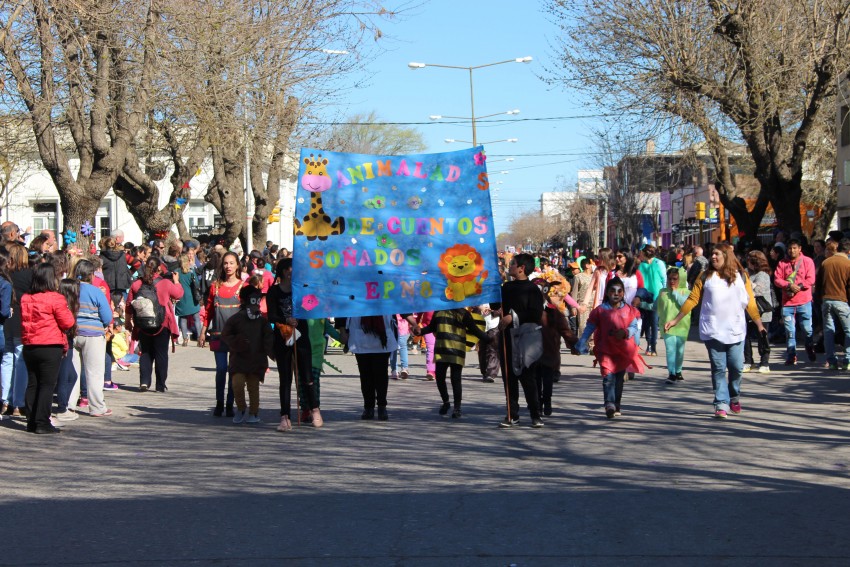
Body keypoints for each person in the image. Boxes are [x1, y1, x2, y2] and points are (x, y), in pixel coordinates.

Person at [665, 243, 765, 418]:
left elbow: (749, 302)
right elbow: (693, 299)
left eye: (717, 254)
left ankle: (734, 396)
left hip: (735, 330)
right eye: (712, 254)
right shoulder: (705, 276)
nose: (713, 257)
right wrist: (675, 319)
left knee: (736, 367)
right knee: (718, 368)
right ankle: (721, 403)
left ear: (726, 256)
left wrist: (759, 324)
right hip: (713, 330)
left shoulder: (741, 276)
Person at [576, 277, 646, 419]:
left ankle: (616, 404)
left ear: (623, 293)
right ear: (607, 293)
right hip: (605, 350)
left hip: (623, 352)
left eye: (619, 291)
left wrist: (626, 332)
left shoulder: (629, 310)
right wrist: (581, 342)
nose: (616, 294)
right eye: (612, 290)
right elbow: (590, 327)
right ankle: (609, 404)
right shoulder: (600, 311)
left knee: (619, 379)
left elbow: (634, 326)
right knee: (608, 378)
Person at [21, 263, 76, 434]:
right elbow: (68, 322)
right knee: (47, 385)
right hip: (49, 345)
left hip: (30, 344)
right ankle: (42, 422)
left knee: (33, 383)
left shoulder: (26, 297)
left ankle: (31, 420)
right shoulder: (55, 298)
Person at [267, 257, 320, 430]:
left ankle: (314, 409)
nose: (293, 272)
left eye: (294, 269)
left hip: (301, 335)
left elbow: (313, 304)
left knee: (306, 375)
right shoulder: (274, 291)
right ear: (283, 272)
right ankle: (285, 416)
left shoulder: (301, 289)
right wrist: (286, 319)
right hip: (283, 336)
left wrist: (303, 310)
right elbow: (271, 315)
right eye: (290, 269)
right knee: (285, 378)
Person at [496, 253, 546, 429]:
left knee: (528, 378)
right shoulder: (506, 287)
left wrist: (513, 317)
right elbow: (496, 305)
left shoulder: (532, 289)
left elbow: (535, 314)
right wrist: (492, 290)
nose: (510, 266)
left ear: (521, 268)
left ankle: (535, 414)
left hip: (526, 338)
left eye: (513, 263)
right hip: (507, 337)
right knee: (509, 377)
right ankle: (512, 414)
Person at [415, 308, 488, 419]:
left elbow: (474, 330)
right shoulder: (439, 311)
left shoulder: (463, 313)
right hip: (441, 350)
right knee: (440, 378)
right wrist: (420, 331)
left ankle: (457, 408)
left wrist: (488, 339)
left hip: (456, 351)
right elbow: (432, 327)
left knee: (456, 379)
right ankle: (446, 402)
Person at [126, 257, 183, 393]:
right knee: (161, 353)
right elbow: (178, 294)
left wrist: (128, 321)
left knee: (145, 352)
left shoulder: (137, 284)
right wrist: (176, 281)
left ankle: (144, 381)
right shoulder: (165, 283)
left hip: (142, 323)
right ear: (158, 268)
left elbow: (129, 304)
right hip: (162, 323)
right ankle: (160, 385)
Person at [221, 286, 275, 425]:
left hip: (256, 360)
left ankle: (253, 412)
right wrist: (236, 342)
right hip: (238, 360)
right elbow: (226, 334)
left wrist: (273, 353)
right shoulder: (235, 319)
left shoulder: (262, 321)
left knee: (253, 387)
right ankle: (241, 408)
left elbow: (269, 338)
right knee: (237, 384)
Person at [199, 251, 243, 416]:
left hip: (237, 337)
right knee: (221, 369)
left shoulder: (243, 287)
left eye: (231, 263)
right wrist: (203, 331)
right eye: (225, 263)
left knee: (233, 370)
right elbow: (209, 311)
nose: (228, 266)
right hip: (218, 334)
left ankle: (230, 403)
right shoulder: (215, 286)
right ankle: (219, 402)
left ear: (237, 265)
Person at [68, 259, 114, 417]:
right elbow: (107, 316)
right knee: (94, 372)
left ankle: (69, 405)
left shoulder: (69, 290)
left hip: (73, 332)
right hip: (93, 334)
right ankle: (97, 407)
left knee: (73, 371)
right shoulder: (96, 291)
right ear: (91, 275)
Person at [339, 314, 399, 421]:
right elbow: (342, 308)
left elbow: (400, 307)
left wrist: (413, 323)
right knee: (365, 375)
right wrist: (342, 331)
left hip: (382, 337)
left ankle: (382, 406)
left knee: (381, 375)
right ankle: (368, 407)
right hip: (360, 337)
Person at [534, 279, 576, 416]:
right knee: (535, 380)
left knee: (547, 380)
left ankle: (547, 401)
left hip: (549, 350)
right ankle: (537, 403)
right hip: (531, 352)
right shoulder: (526, 310)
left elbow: (564, 329)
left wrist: (574, 343)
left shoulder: (553, 311)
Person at [1, 243, 33, 417]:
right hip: (22, 319)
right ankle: (18, 402)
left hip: (6, 320)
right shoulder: (29, 274)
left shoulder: (5, 275)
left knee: (7, 360)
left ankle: (5, 400)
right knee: (20, 360)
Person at [773, 239, 816, 365]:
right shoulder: (782, 263)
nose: (792, 251)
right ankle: (791, 355)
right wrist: (788, 285)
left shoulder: (807, 261)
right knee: (790, 332)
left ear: (800, 248)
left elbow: (811, 279)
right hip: (787, 304)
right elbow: (777, 279)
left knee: (807, 329)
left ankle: (809, 347)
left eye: (794, 248)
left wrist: (799, 286)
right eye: (790, 248)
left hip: (804, 301)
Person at [815, 240, 850, 370]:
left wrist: (821, 298)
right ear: (848, 251)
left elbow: (818, 284)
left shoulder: (826, 262)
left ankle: (831, 361)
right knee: (848, 330)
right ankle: (848, 360)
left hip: (826, 300)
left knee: (829, 331)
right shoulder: (847, 264)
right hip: (842, 300)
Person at [657, 267, 690, 384]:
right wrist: (642, 304)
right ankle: (671, 373)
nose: (672, 281)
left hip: (682, 326)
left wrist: (675, 292)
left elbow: (684, 304)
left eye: (675, 279)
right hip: (667, 326)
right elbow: (657, 306)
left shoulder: (686, 292)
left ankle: (678, 371)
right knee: (670, 349)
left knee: (680, 351)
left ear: (681, 279)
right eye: (669, 278)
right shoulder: (663, 292)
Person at [743, 250, 774, 373]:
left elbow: (757, 290)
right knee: (745, 336)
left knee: (762, 337)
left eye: (750, 260)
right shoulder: (746, 272)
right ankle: (748, 361)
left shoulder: (763, 275)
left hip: (762, 312)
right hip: (748, 310)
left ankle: (764, 362)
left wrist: (747, 285)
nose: (747, 263)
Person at [637, 245, 666, 356]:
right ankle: (648, 344)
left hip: (656, 297)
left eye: (641, 252)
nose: (640, 254)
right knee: (645, 323)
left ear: (645, 253)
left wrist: (664, 294)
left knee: (654, 323)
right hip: (644, 297)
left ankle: (653, 346)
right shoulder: (641, 265)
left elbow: (664, 280)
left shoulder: (659, 263)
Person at [175, 253, 202, 346]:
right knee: (196, 318)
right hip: (192, 297)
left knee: (183, 319)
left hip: (181, 297)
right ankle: (199, 338)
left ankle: (185, 339)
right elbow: (196, 283)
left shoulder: (176, 272)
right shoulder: (191, 271)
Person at [390, 314, 410, 380]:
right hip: (402, 324)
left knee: (393, 348)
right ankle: (404, 368)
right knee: (403, 347)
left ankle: (394, 370)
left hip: (392, 324)